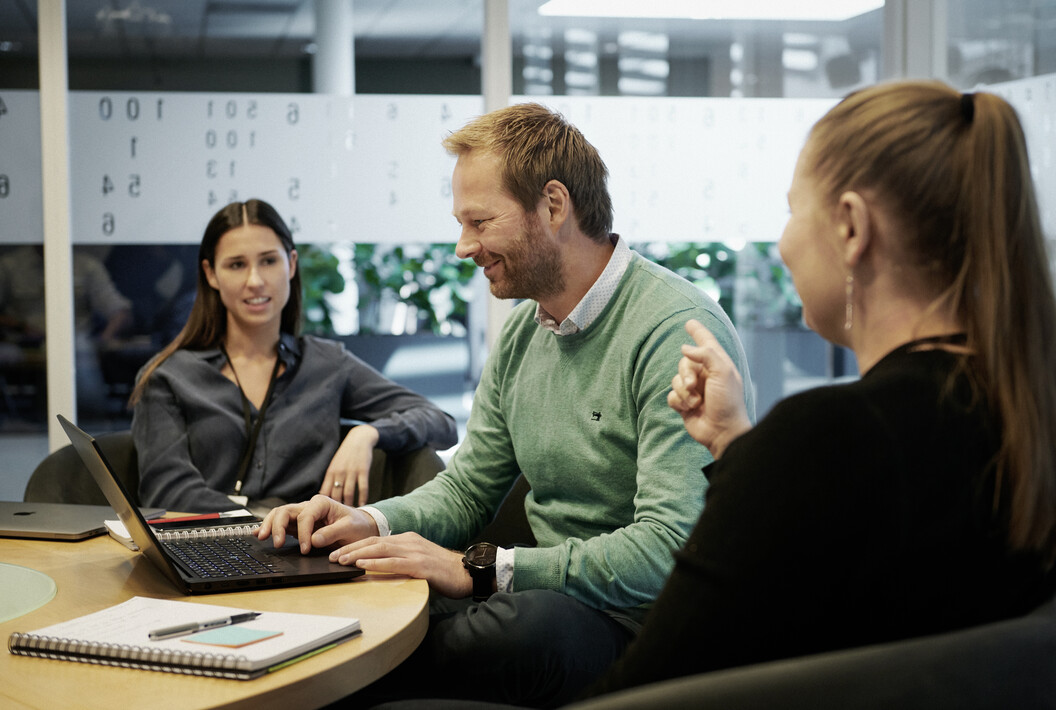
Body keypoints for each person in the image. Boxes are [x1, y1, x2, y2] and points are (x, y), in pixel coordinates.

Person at [257, 102, 754, 707]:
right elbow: (468, 489)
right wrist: (371, 522)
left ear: (553, 204)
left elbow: (664, 550)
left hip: (643, 630)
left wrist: (483, 568)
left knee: (524, 629)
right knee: (375, 592)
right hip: (541, 600)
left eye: (480, 222)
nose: (464, 247)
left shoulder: (673, 329)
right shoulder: (524, 332)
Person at [581, 80, 1056, 699]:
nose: (783, 245)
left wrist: (770, 460)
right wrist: (737, 445)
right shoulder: (1026, 410)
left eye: (791, 211)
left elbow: (644, 688)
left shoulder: (833, 437)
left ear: (852, 227)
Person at [129, 199, 457, 514]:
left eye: (269, 261)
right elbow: (168, 493)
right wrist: (270, 522)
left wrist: (367, 433)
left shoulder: (326, 364)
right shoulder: (168, 378)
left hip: (311, 555)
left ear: (292, 264)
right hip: (208, 553)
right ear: (211, 273)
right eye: (237, 265)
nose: (255, 281)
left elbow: (439, 421)